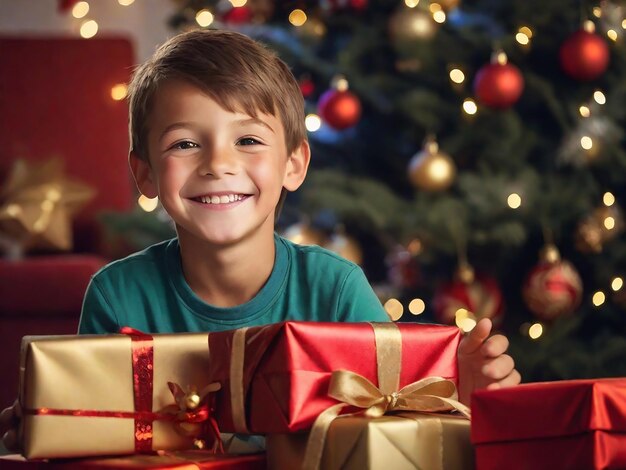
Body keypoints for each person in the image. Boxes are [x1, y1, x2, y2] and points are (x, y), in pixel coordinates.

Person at [1, 29, 520, 451]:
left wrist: (462, 397)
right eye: (185, 143)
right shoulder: (117, 296)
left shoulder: (335, 290)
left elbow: (396, 428)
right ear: (146, 176)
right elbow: (88, 438)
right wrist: (51, 423)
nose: (219, 164)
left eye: (247, 140)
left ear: (293, 164)